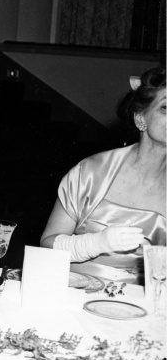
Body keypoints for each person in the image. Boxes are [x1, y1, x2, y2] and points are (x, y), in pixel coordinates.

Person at [40, 66, 166, 283]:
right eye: (165, 108)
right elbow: (47, 245)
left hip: (142, 298)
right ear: (140, 118)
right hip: (75, 288)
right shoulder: (91, 172)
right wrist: (97, 243)